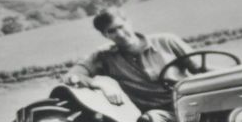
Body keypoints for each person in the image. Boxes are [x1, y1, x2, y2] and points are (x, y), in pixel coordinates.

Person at [60, 8, 197, 112]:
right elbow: (72, 76)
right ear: (104, 35)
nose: (120, 34)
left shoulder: (166, 41)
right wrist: (100, 84)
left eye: (120, 26)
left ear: (129, 22)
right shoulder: (105, 57)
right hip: (159, 113)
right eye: (111, 31)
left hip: (191, 101)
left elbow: (202, 68)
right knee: (151, 121)